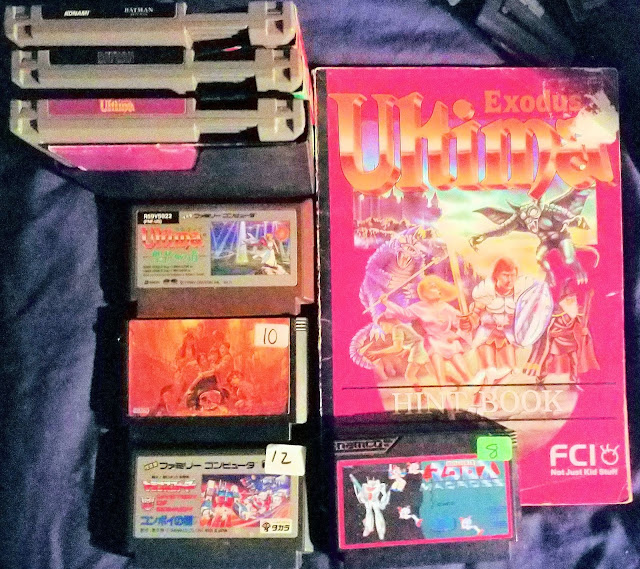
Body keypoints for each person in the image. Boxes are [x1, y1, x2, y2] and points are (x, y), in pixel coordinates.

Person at [381, 274, 472, 386]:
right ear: (425, 292)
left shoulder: (447, 308)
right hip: (433, 342)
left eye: (439, 287)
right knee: (440, 374)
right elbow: (404, 313)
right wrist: (387, 303)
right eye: (433, 287)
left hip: (449, 341)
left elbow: (461, 324)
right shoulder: (419, 307)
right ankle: (445, 393)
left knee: (464, 371)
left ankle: (476, 389)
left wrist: (462, 328)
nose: (438, 290)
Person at [460, 257, 534, 384]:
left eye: (512, 275)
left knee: (510, 371)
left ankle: (489, 391)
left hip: (507, 338)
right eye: (505, 275)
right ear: (496, 275)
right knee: (488, 370)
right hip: (487, 336)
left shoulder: (520, 295)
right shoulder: (486, 293)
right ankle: (481, 393)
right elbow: (475, 316)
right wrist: (468, 322)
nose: (510, 280)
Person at [526, 281, 599, 390]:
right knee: (548, 361)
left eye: (573, 297)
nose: (572, 300)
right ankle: (540, 380)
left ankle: (573, 382)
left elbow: (582, 323)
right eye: (569, 298)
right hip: (556, 340)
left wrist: (585, 330)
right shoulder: (555, 313)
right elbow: (548, 330)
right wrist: (555, 334)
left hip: (570, 340)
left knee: (574, 360)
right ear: (562, 300)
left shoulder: (576, 311)